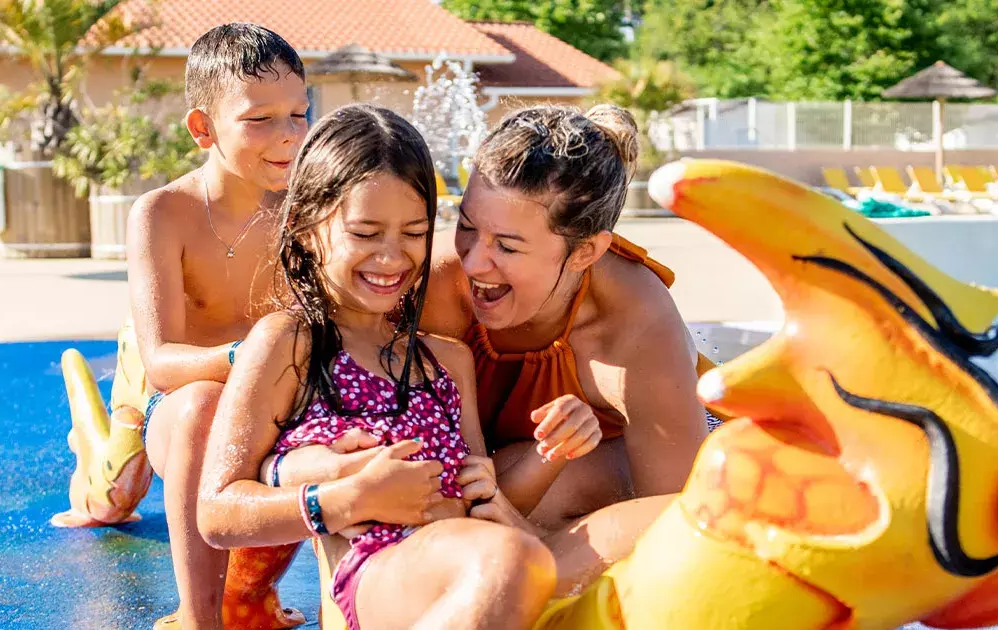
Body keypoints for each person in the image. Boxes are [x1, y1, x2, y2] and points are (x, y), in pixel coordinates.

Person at [275, 104, 715, 597]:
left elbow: (679, 514)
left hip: (593, 476)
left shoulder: (636, 328)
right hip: (486, 483)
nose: (475, 261)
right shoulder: (431, 281)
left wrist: (526, 535)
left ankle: (537, 569)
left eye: (507, 245)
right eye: (466, 226)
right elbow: (308, 416)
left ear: (586, 252)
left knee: (625, 489)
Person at [197, 103, 557, 630]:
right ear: (304, 227)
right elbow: (218, 511)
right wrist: (344, 498)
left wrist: (533, 464)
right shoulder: (289, 344)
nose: (392, 257)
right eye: (365, 233)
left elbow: (478, 492)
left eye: (414, 233)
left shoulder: (448, 361)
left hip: (464, 562)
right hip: (372, 579)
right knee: (509, 562)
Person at [117, 22, 310, 629]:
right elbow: (162, 362)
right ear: (203, 128)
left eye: (298, 115)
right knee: (199, 406)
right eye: (259, 120)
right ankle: (198, 617)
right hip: (182, 418)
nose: (286, 137)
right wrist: (248, 356)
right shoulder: (163, 214)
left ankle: (268, 594)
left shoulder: (305, 212)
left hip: (269, 417)